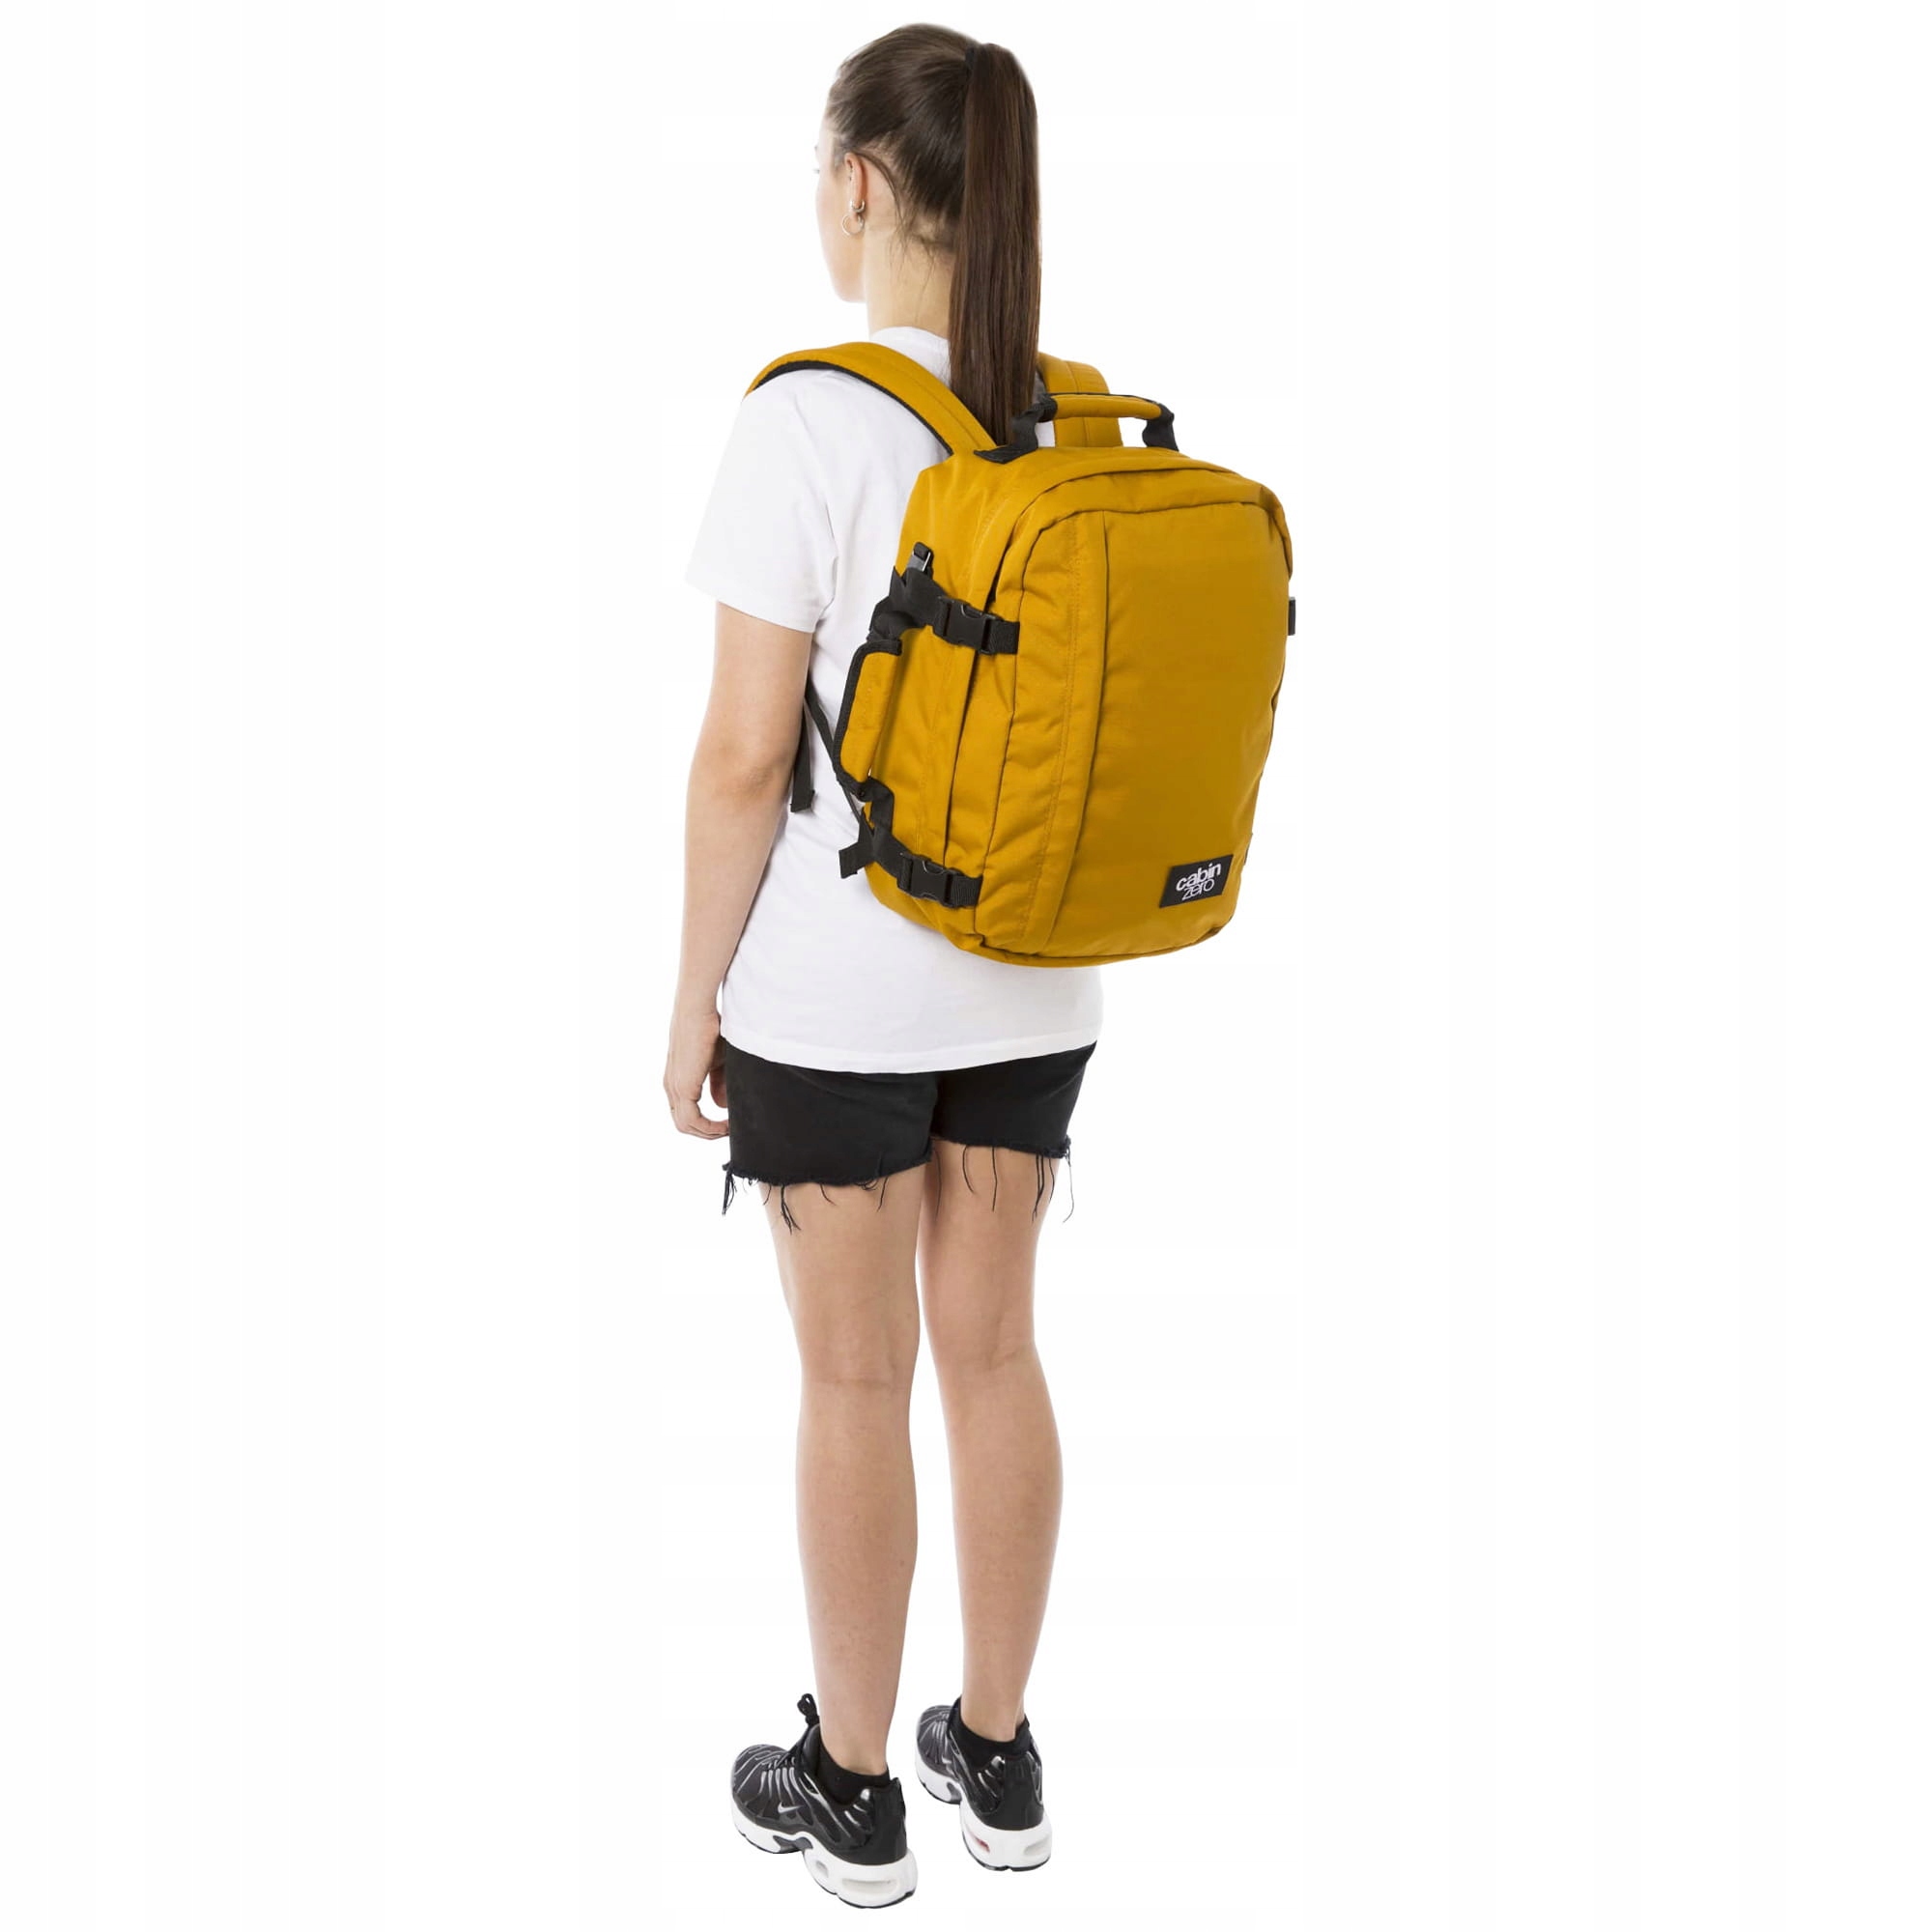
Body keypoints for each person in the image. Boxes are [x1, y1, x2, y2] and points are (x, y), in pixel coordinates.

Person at [665, 24, 1094, 1911]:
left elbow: (742, 756)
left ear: (856, 183)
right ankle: (995, 1754)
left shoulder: (806, 420)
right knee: (994, 1355)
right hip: (1038, 977)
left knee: (857, 1384)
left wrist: (693, 1000)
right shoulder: (1060, 423)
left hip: (838, 998)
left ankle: (849, 1789)